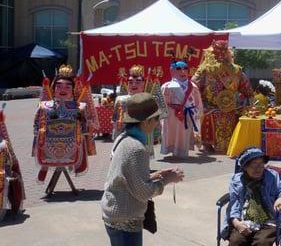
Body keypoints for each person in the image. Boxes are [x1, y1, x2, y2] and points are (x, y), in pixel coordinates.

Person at [101, 93, 184, 246]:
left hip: (114, 212)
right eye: (156, 120)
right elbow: (143, 192)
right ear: (146, 121)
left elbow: (126, 176)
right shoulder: (137, 148)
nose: (158, 124)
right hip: (125, 218)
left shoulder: (123, 138)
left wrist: (155, 175)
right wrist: (167, 180)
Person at [32, 64, 97, 182]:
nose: (63, 89)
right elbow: (36, 126)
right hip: (49, 146)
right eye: (59, 86)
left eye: (67, 87)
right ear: (53, 88)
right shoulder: (44, 106)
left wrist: (83, 123)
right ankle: (44, 167)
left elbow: (86, 128)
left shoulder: (80, 107)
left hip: (72, 146)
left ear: (73, 90)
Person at [223, 147, 281, 246]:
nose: (258, 169)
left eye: (261, 165)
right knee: (236, 241)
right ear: (245, 167)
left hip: (270, 220)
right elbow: (233, 205)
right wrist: (237, 224)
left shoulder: (272, 176)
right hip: (244, 220)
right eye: (253, 165)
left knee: (262, 243)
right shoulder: (236, 181)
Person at [192, 40, 254, 153]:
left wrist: (248, 102)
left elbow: (247, 89)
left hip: (231, 107)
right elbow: (194, 87)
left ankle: (231, 143)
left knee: (234, 113)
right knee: (208, 113)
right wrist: (199, 102)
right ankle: (208, 144)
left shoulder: (236, 70)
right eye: (218, 50)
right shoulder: (205, 70)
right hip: (209, 106)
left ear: (227, 52)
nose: (221, 53)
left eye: (223, 50)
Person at [161, 59, 203, 158]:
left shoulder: (192, 86)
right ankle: (172, 150)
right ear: (172, 71)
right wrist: (162, 116)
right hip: (171, 114)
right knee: (171, 133)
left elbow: (198, 102)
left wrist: (197, 112)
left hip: (188, 113)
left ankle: (183, 152)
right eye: (178, 69)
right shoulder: (166, 86)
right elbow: (162, 103)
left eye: (185, 68)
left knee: (184, 133)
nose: (183, 71)